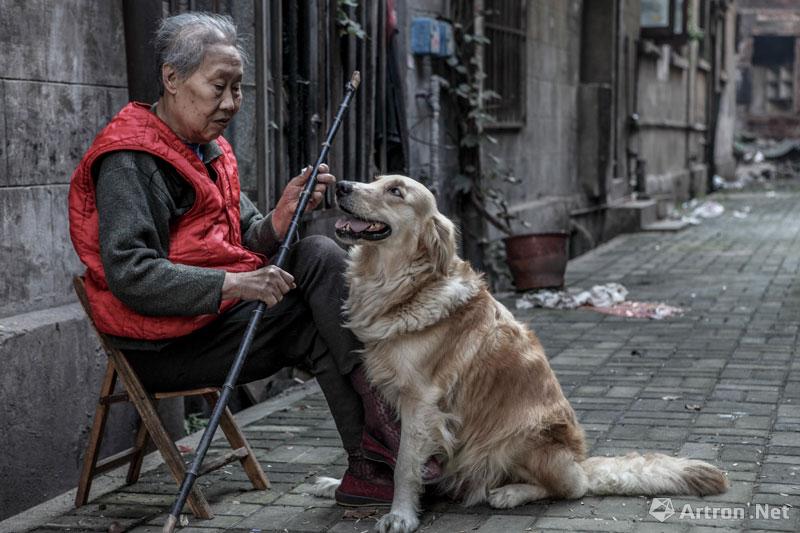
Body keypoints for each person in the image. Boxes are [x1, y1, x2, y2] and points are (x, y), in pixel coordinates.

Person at [68, 12, 428, 506]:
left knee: (316, 255)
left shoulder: (206, 149)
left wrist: (280, 217)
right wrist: (235, 286)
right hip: (163, 348)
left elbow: (246, 240)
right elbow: (132, 275)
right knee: (315, 301)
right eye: (219, 87)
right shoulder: (131, 161)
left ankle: (380, 462)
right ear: (172, 78)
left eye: (238, 89)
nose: (231, 103)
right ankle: (391, 449)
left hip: (207, 320)